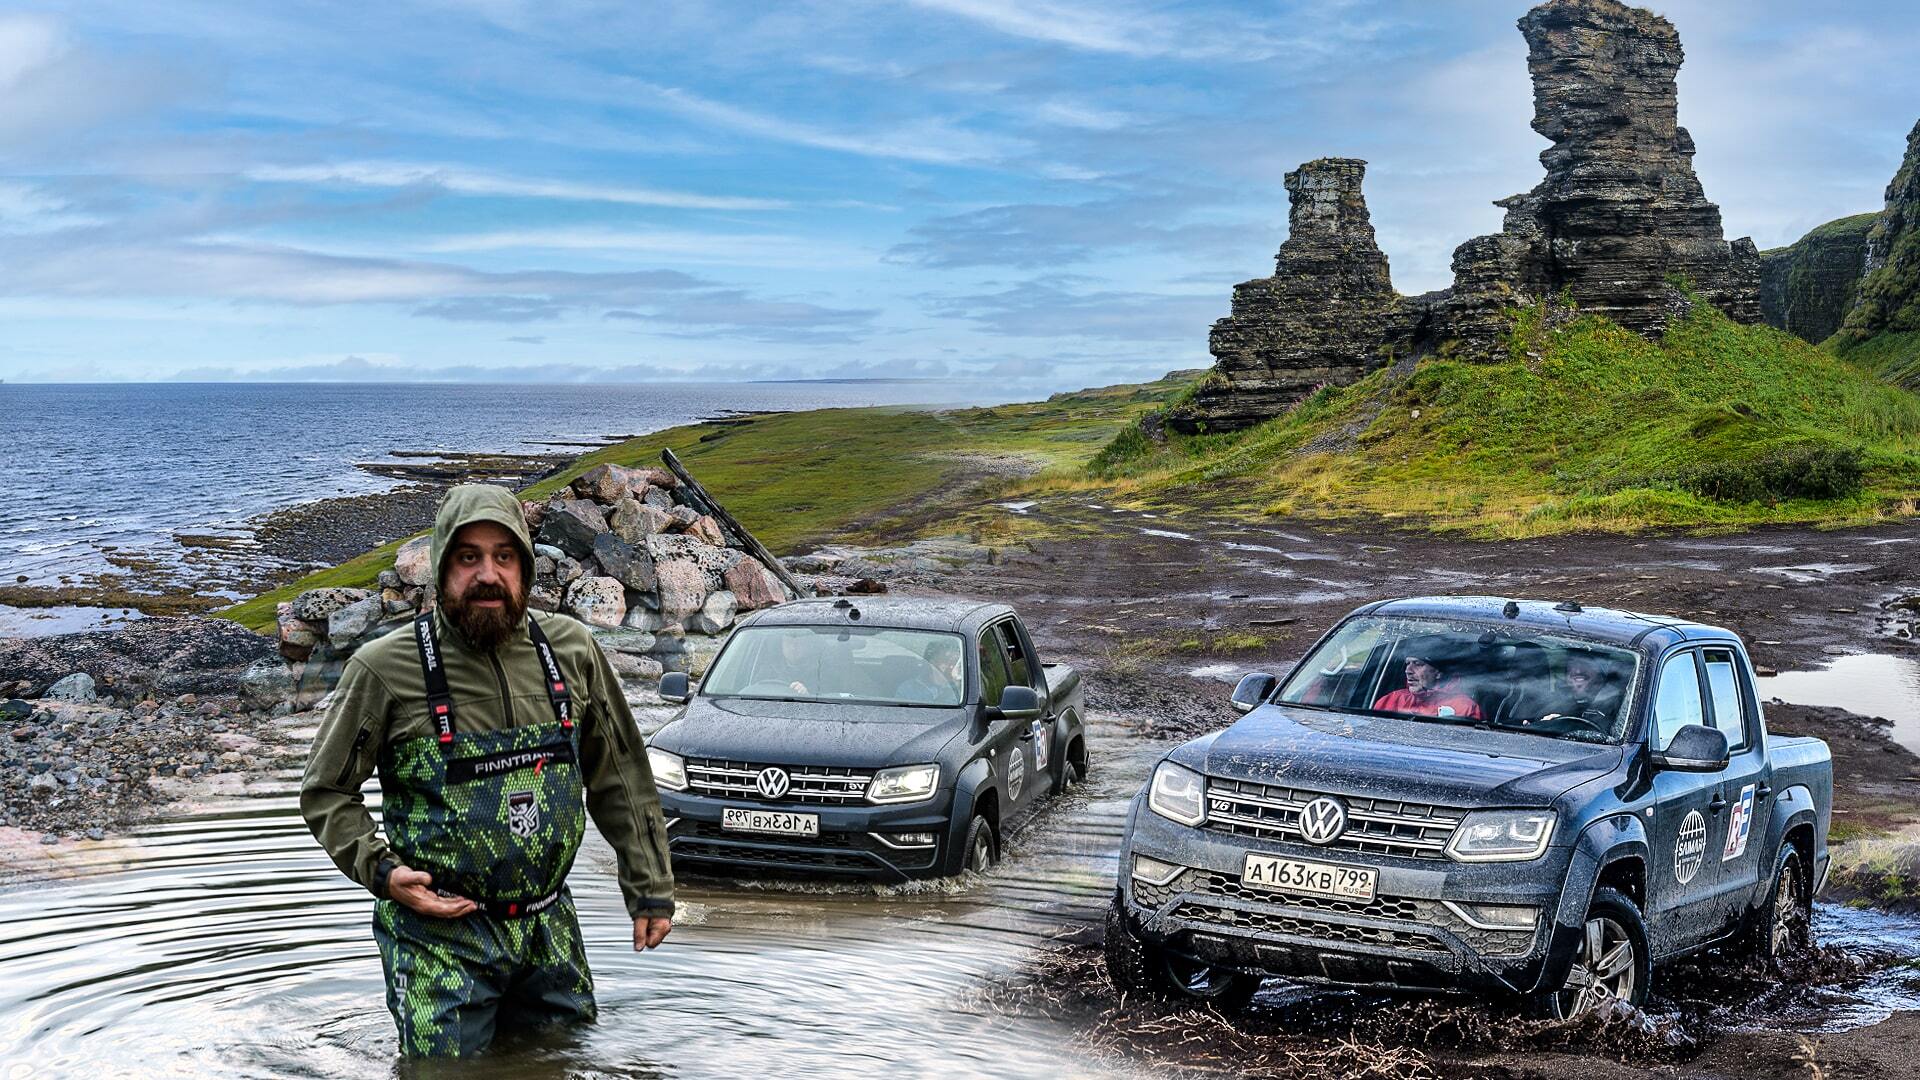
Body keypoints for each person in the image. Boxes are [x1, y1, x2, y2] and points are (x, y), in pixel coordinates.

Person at [300, 484, 675, 1059]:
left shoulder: (571, 649)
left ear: (524, 567)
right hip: (438, 938)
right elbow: (327, 792)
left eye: (504, 556)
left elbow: (620, 772)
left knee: (564, 1066)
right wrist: (382, 873)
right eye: (468, 557)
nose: (487, 575)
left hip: (549, 928)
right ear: (441, 567)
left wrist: (650, 888)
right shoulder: (382, 669)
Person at [1373, 638, 1484, 720]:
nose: (1408, 670)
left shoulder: (1465, 708)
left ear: (1439, 672)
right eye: (1407, 663)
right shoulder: (1391, 701)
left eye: (1417, 664)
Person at [896, 637, 964, 704]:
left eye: (956, 661)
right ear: (932, 663)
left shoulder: (964, 690)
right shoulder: (908, 689)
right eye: (946, 660)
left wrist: (957, 685)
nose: (953, 665)